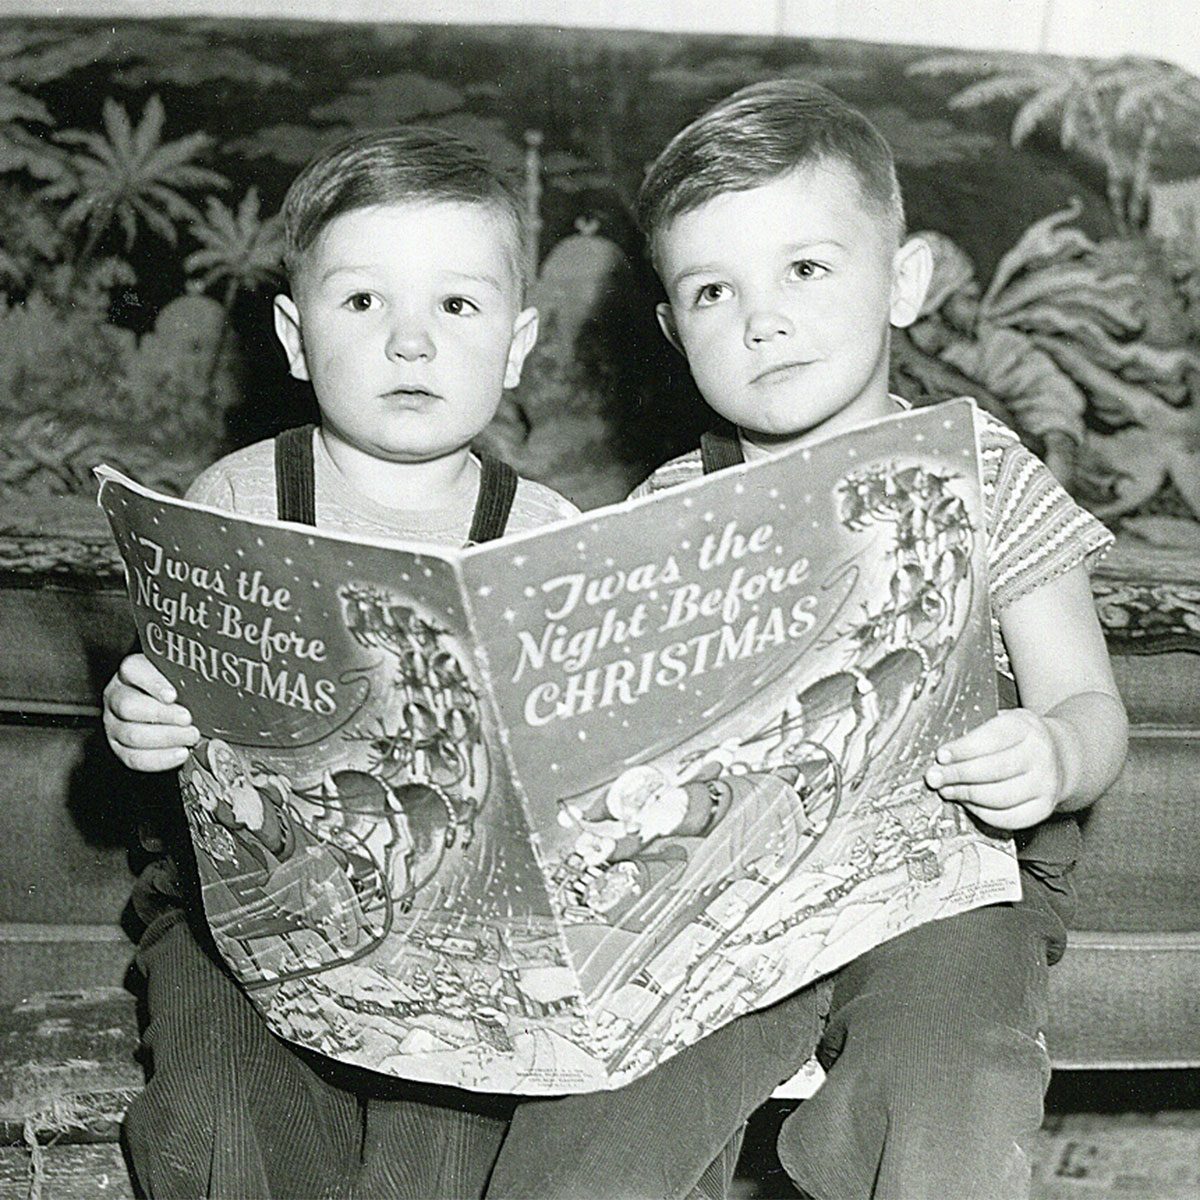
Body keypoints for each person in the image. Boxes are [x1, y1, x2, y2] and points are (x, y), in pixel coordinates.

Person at [484, 80, 1128, 1200]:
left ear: (906, 282)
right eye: (712, 290)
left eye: (806, 269)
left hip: (952, 877)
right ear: (672, 329)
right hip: (733, 886)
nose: (761, 318)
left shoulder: (979, 468)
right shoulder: (675, 502)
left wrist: (1055, 755)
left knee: (953, 1082)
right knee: (590, 1111)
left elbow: (1091, 702)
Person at [101, 126, 578, 1199]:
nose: (411, 342)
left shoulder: (549, 531)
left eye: (455, 306)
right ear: (296, 335)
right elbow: (162, 692)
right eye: (363, 302)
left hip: (458, 936)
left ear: (515, 344)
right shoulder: (236, 500)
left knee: (450, 1148)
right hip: (236, 921)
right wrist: (141, 716)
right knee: (213, 1120)